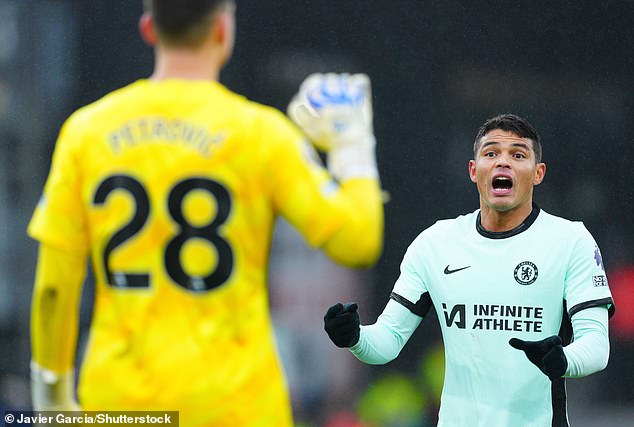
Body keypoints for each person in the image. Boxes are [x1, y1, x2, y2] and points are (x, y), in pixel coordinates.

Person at [28, 1, 384, 426]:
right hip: (236, 404)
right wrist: (351, 146)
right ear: (221, 30)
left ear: (148, 28)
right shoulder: (261, 134)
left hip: (121, 401)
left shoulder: (86, 133)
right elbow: (358, 241)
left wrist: (51, 400)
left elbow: (54, 288)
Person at [324, 114, 615, 427]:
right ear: (474, 171)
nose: (503, 162)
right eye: (491, 153)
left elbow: (596, 345)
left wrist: (563, 361)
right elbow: (387, 340)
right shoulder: (435, 244)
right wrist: (354, 336)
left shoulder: (570, 241)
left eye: (518, 155)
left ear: (538, 173)